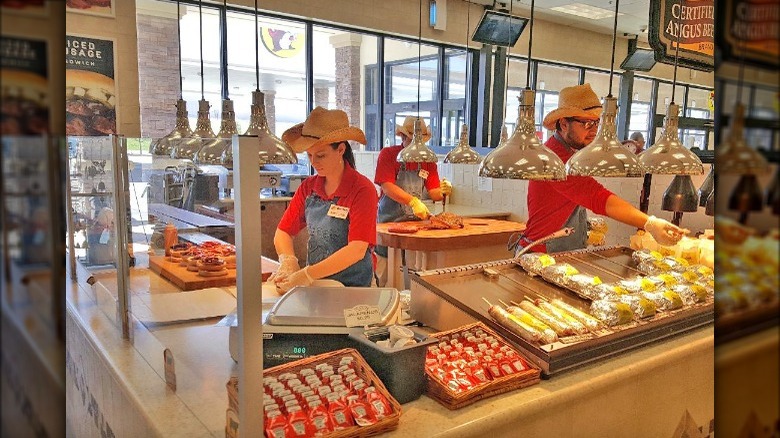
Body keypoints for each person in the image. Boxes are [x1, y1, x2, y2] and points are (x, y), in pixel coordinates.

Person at [518, 84, 687, 253]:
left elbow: (563, 204)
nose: (594, 131)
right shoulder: (556, 158)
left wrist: (587, 229)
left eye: (596, 123)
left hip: (559, 251)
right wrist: (650, 223)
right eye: (586, 123)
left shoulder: (572, 154)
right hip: (539, 252)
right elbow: (596, 196)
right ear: (563, 124)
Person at [270, 107, 378, 293]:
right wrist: (289, 262)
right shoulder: (308, 188)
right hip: (316, 286)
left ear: (341, 150)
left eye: (320, 155)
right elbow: (283, 232)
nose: (314, 162)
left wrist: (306, 275)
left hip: (354, 289)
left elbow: (357, 249)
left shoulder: (362, 189)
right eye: (309, 156)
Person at [373, 116, 452, 286]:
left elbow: (434, 193)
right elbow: (387, 186)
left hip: (415, 226)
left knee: (411, 275)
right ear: (402, 137)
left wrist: (445, 190)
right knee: (384, 273)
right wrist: (413, 201)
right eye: (413, 139)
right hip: (389, 223)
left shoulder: (426, 159)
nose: (419, 144)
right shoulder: (388, 155)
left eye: (422, 140)